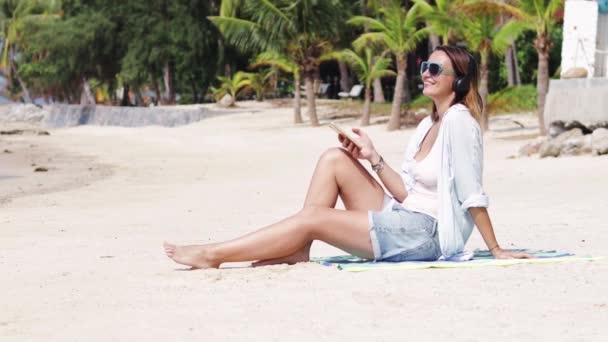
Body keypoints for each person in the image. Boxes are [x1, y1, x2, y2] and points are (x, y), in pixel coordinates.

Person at [163, 45, 533, 269]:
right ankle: (299, 249)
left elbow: (472, 193)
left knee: (314, 217)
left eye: (435, 69)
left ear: (460, 81)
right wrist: (372, 158)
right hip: (407, 216)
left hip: (427, 236)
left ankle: (213, 254)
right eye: (424, 66)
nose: (426, 74)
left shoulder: (460, 123)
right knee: (334, 159)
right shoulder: (427, 123)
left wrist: (496, 249)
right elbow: (407, 193)